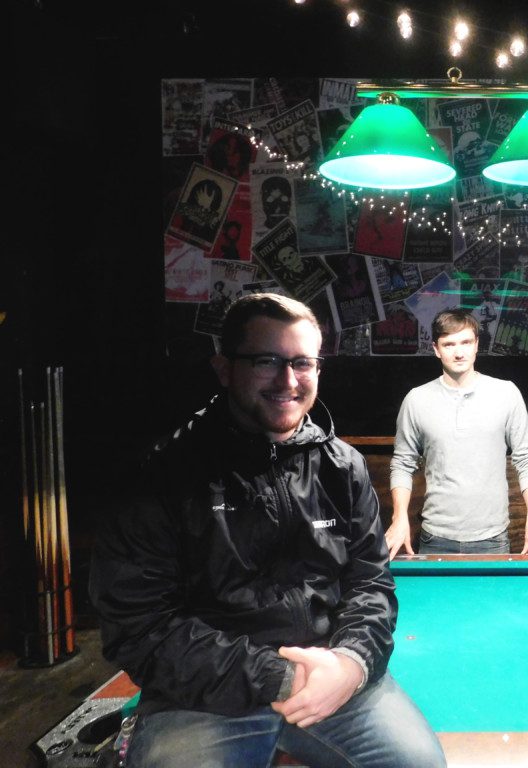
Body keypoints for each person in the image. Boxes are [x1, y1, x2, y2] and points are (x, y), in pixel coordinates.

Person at [89, 294, 445, 768]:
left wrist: (352, 664)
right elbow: (141, 626)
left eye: (302, 363)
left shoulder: (345, 467)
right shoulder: (162, 476)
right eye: (266, 361)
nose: (288, 380)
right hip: (203, 697)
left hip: (332, 677)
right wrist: (282, 676)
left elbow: (370, 585)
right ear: (224, 368)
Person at [386, 308, 528, 560]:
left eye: (466, 342)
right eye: (449, 344)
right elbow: (403, 463)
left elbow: (526, 459)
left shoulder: (506, 393)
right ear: (436, 349)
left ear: (477, 344)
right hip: (435, 537)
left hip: (492, 538)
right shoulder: (416, 400)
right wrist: (399, 517)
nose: (459, 353)